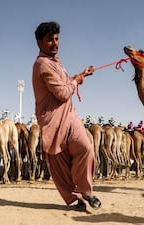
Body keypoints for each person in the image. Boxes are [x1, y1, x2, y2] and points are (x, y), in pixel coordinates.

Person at [32, 21, 100, 211]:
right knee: (60, 165)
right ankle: (77, 199)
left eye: (56, 39)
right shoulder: (42, 65)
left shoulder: (56, 64)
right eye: (49, 40)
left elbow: (65, 85)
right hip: (52, 120)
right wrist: (76, 81)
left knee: (86, 147)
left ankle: (86, 191)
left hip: (69, 116)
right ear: (39, 43)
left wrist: (81, 75)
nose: (55, 43)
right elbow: (62, 93)